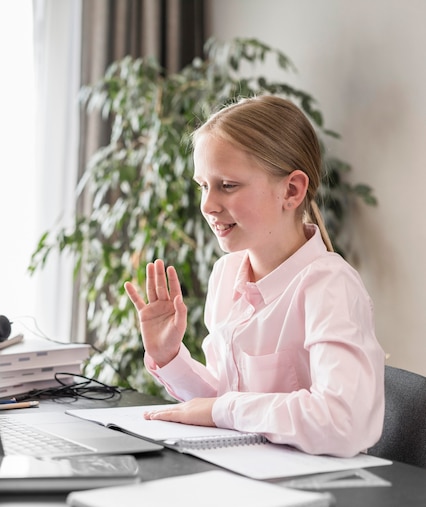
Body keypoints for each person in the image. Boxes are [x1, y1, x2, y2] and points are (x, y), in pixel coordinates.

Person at [124, 95, 385, 457]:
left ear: (291, 191)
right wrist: (169, 357)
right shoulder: (226, 274)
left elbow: (342, 422)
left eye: (227, 185)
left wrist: (221, 409)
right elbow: (228, 404)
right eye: (203, 185)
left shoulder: (330, 286)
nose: (207, 205)